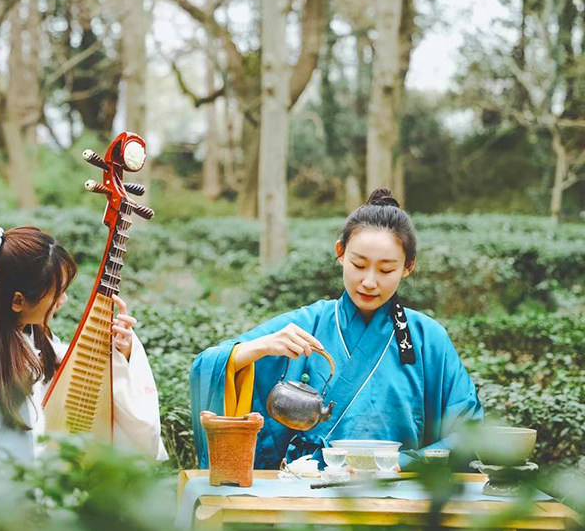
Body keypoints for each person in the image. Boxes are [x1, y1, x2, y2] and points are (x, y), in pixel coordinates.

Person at [190, 189, 483, 470]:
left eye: (385, 270)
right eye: (358, 264)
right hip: (305, 496)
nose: (369, 281)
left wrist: (405, 463)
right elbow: (207, 365)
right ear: (340, 253)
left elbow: (468, 432)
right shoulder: (308, 323)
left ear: (408, 266)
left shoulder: (427, 339)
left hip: (400, 494)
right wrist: (262, 347)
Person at [0, 226, 167, 463]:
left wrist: (121, 350)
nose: (63, 301)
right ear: (18, 301)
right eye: (57, 293)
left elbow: (65, 372)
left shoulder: (29, 337)